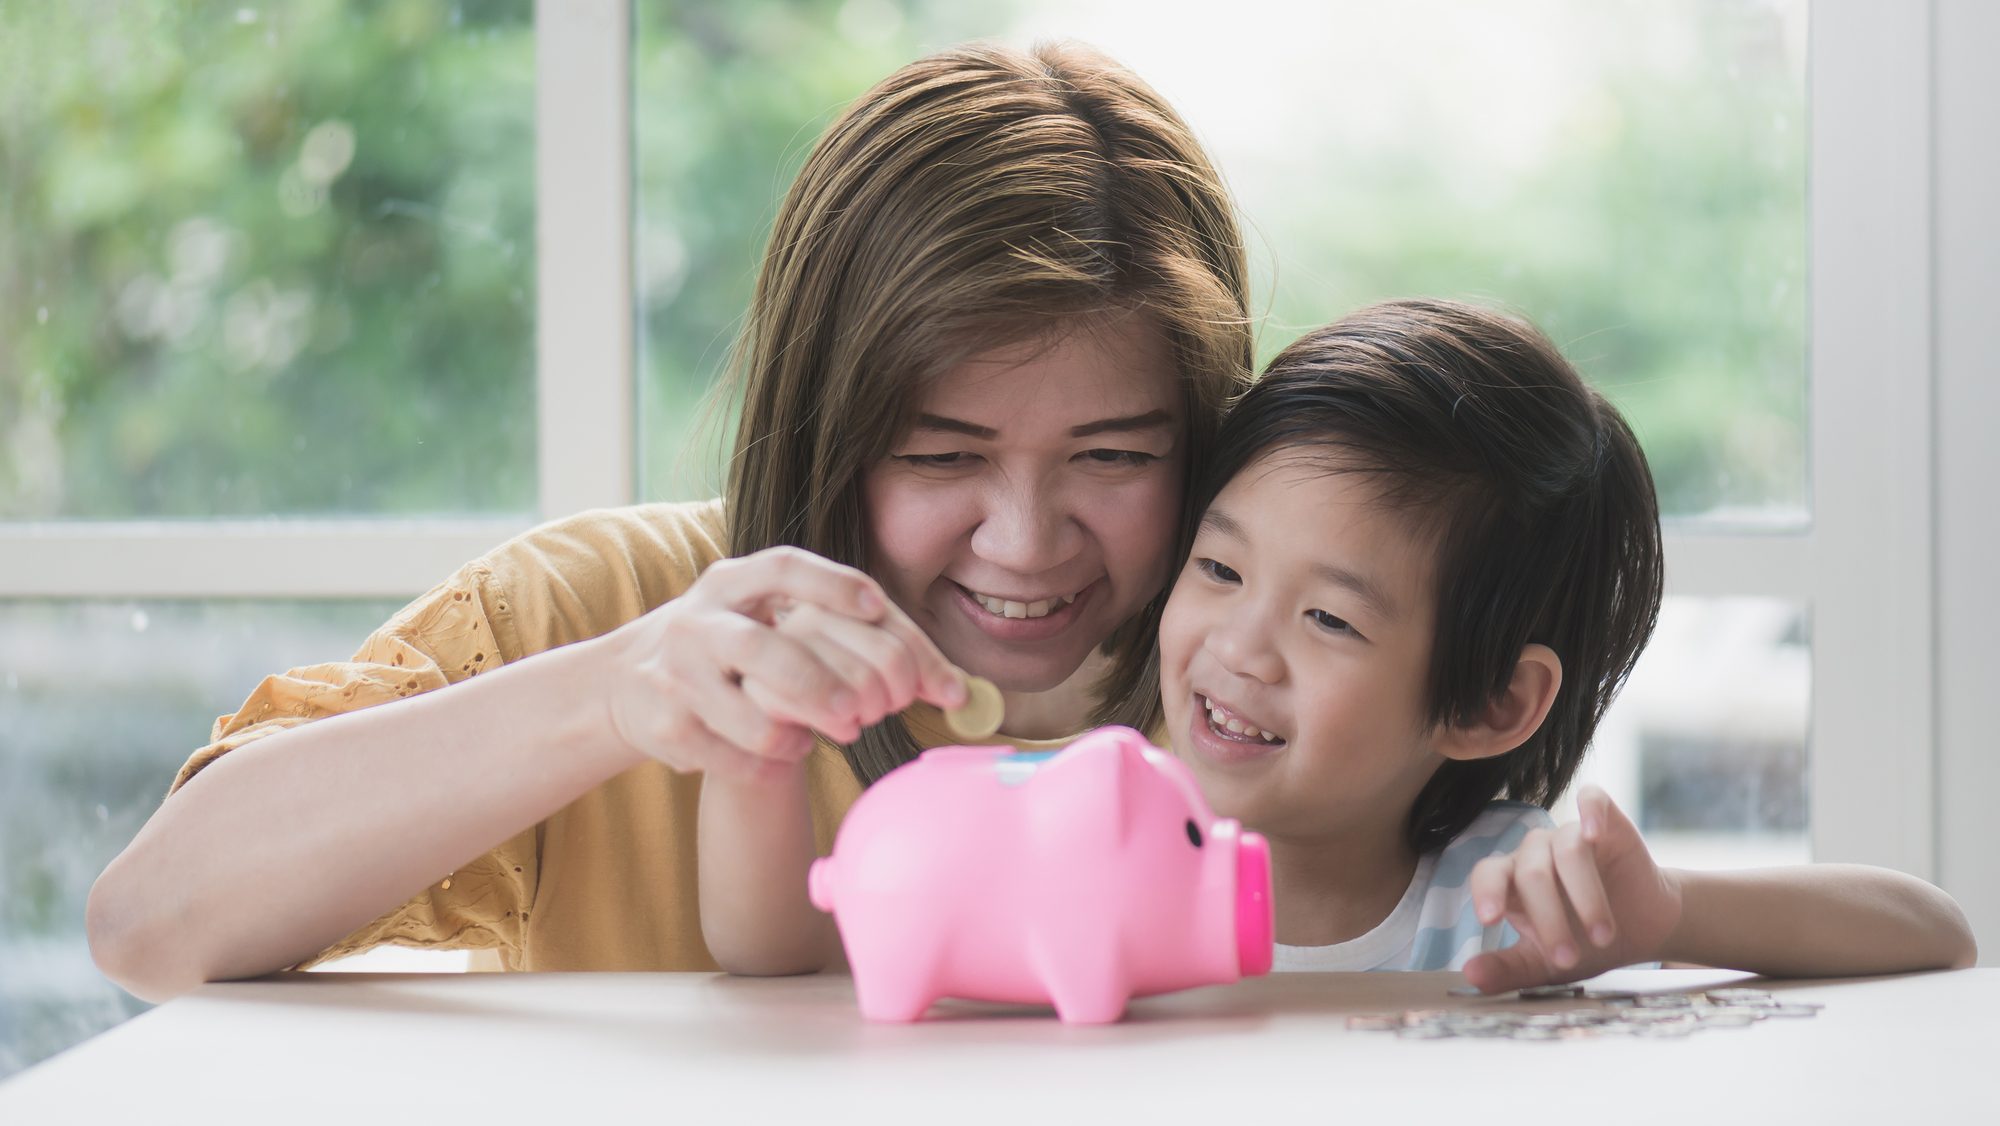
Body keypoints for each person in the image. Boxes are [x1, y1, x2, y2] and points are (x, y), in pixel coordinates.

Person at [86, 40, 1253, 1000]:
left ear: (1199, 431)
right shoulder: (603, 607)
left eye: (1113, 456)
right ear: (819, 421)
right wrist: (610, 694)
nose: (1023, 539)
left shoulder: (1283, 656)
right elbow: (150, 925)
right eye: (940, 456)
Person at [1156, 298, 1976, 989]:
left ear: (1491, 703)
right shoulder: (1087, 834)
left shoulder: (1509, 898)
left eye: (1330, 619)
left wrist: (1670, 915)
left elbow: (1936, 933)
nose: (1240, 648)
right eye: (1220, 568)